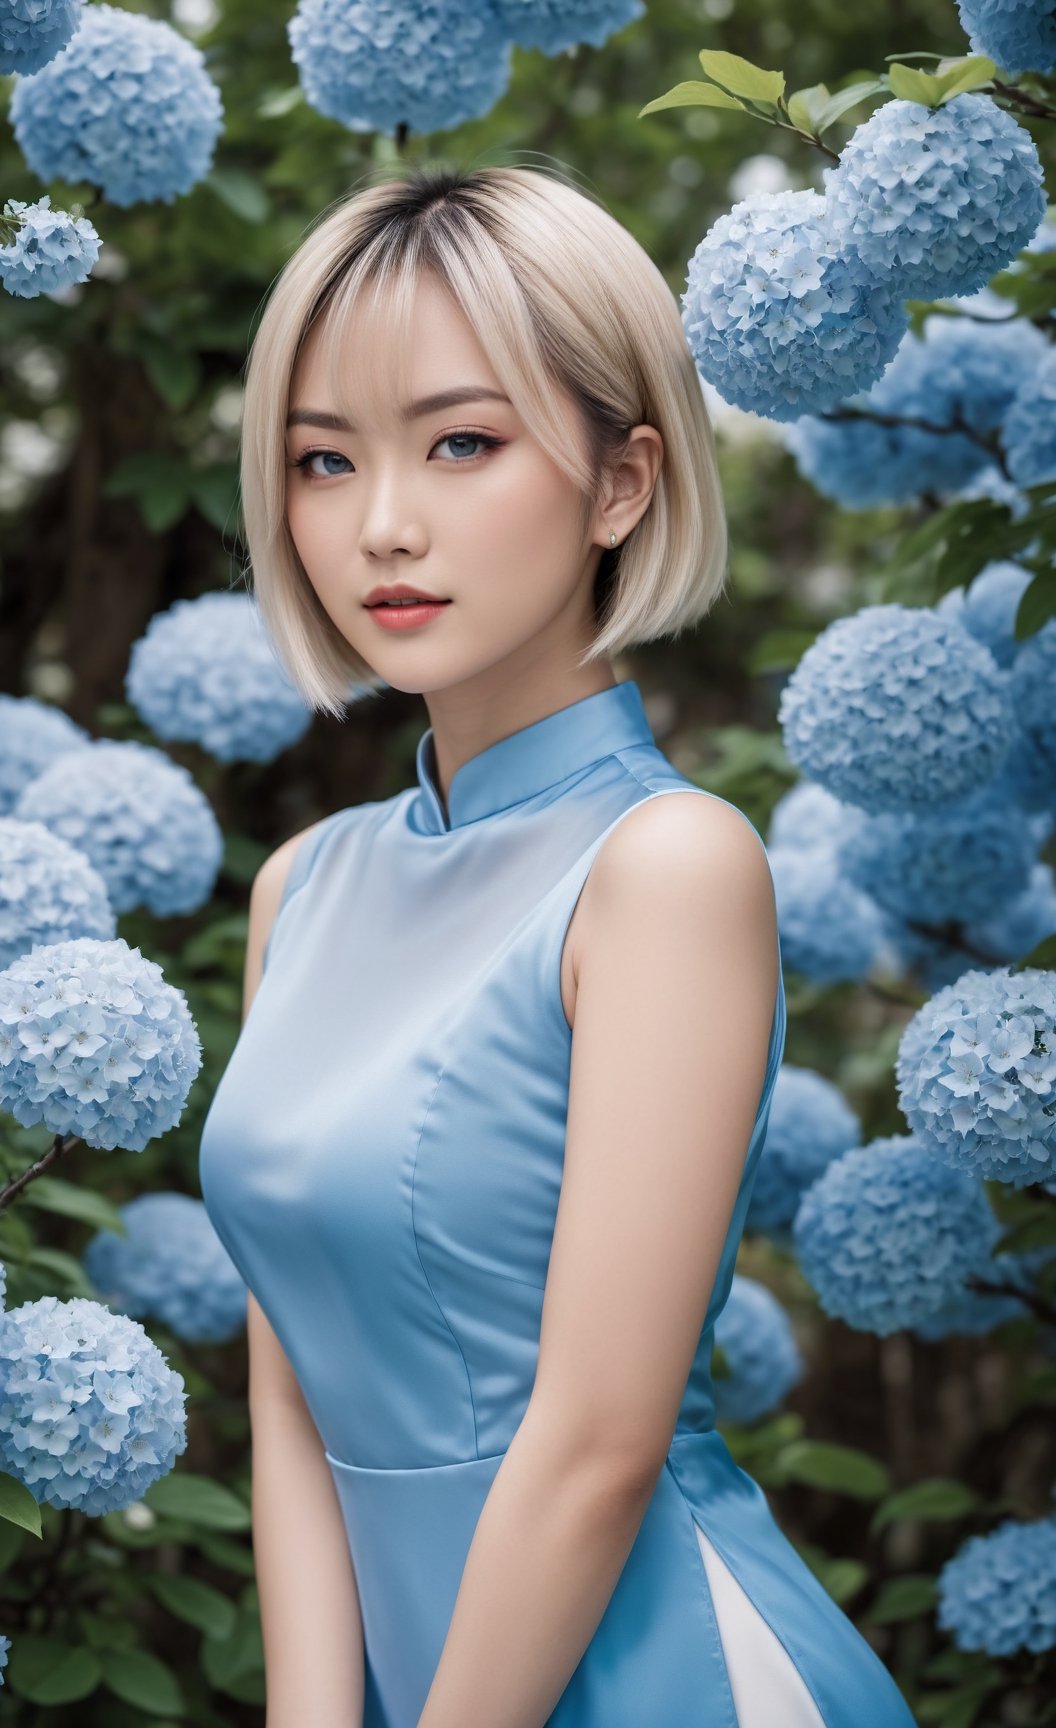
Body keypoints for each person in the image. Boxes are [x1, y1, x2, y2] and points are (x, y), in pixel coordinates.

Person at [198, 160, 917, 1728]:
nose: (382, 523)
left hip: (662, 1677)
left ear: (622, 481)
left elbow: (598, 1449)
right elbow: (295, 1397)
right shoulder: (303, 888)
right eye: (324, 461)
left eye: (463, 442)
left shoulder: (664, 867)